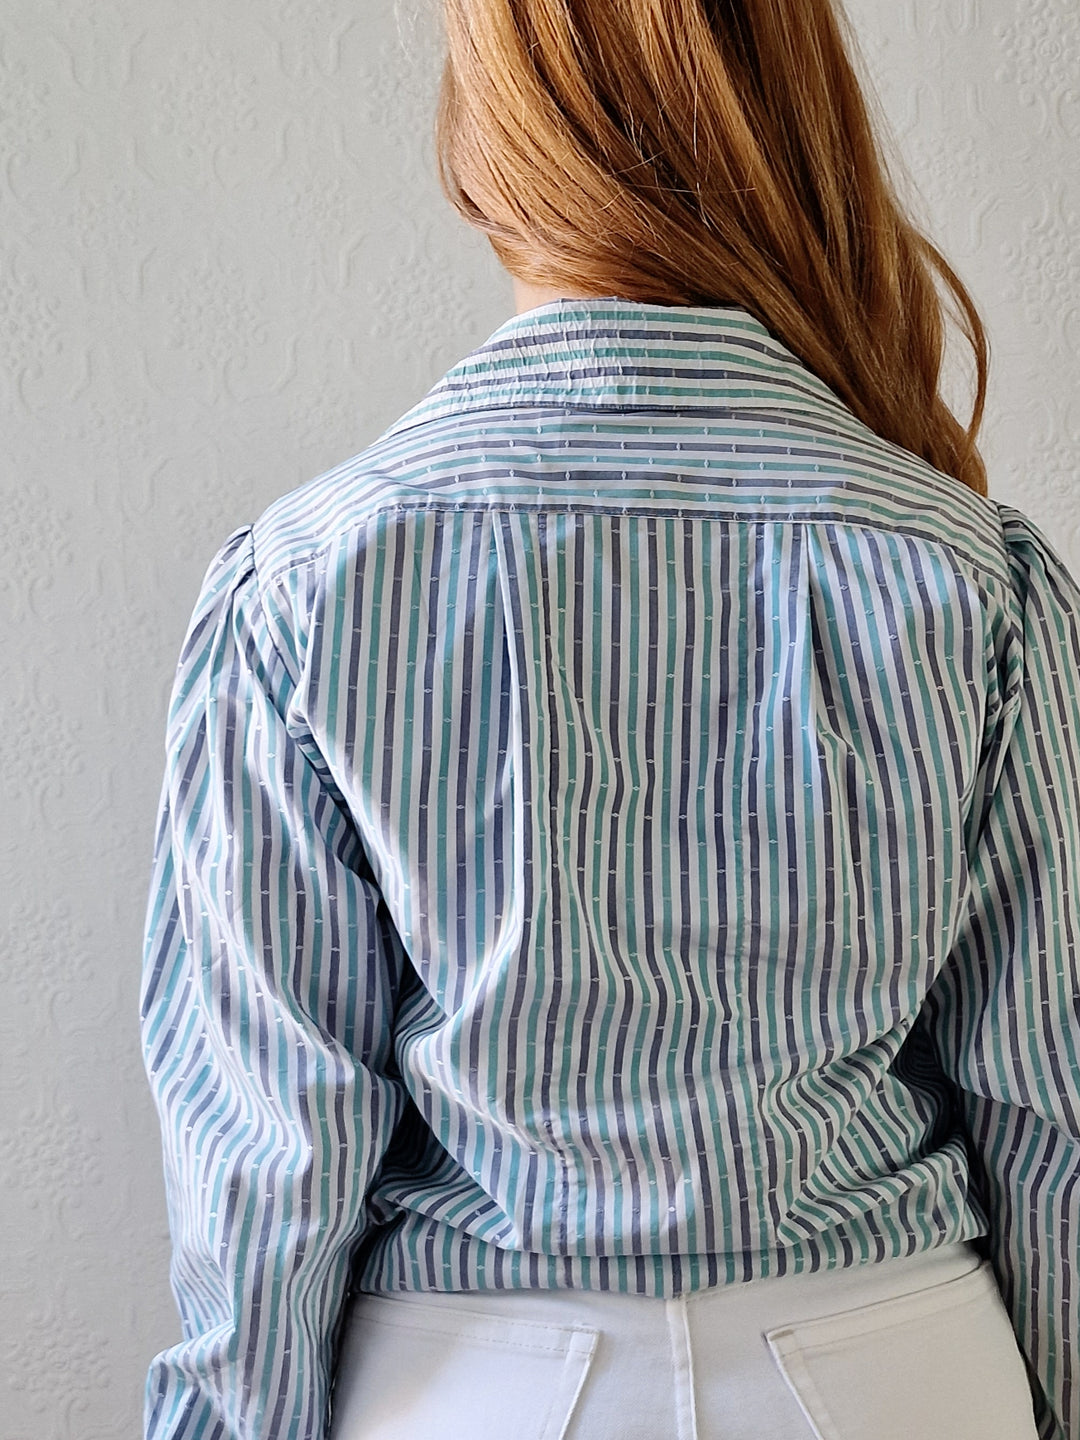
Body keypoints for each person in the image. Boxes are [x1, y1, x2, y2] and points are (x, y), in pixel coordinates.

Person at [138, 1, 1080, 1437]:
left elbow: (268, 1165)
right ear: (791, 127)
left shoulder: (312, 580)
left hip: (473, 1386)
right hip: (896, 1368)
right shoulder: (969, 574)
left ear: (485, 146)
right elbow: (1050, 1107)